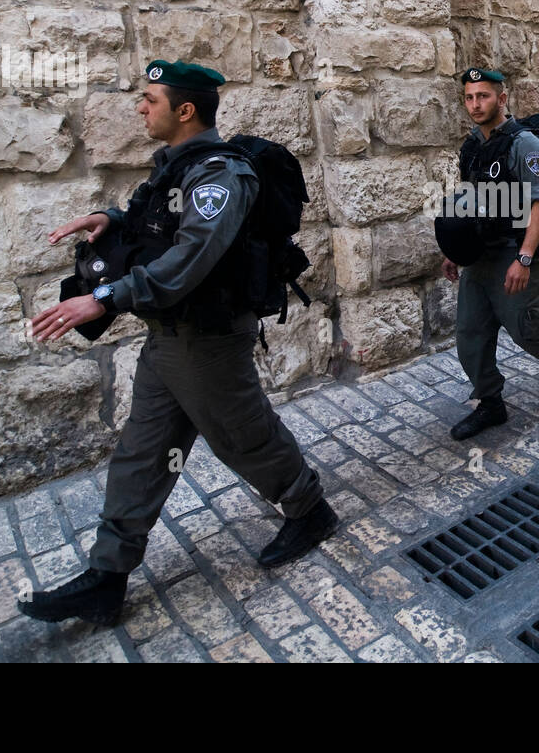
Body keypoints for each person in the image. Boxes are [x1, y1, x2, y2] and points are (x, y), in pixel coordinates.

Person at [19, 60, 335, 627]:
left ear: (184, 110)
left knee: (243, 438)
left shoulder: (220, 175)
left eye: (150, 99)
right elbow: (157, 224)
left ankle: (308, 508)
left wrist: (106, 298)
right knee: (143, 451)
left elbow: (189, 257)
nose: (140, 107)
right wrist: (109, 219)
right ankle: (108, 576)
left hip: (208, 340)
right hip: (168, 338)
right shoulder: (175, 168)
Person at [439, 68, 539, 441]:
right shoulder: (473, 145)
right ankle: (490, 402)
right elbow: (469, 199)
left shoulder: (525, 145)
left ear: (501, 99)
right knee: (469, 334)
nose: (476, 104)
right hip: (479, 253)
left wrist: (524, 258)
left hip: (514, 250)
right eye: (470, 97)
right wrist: (453, 251)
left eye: (484, 96)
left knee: (527, 333)